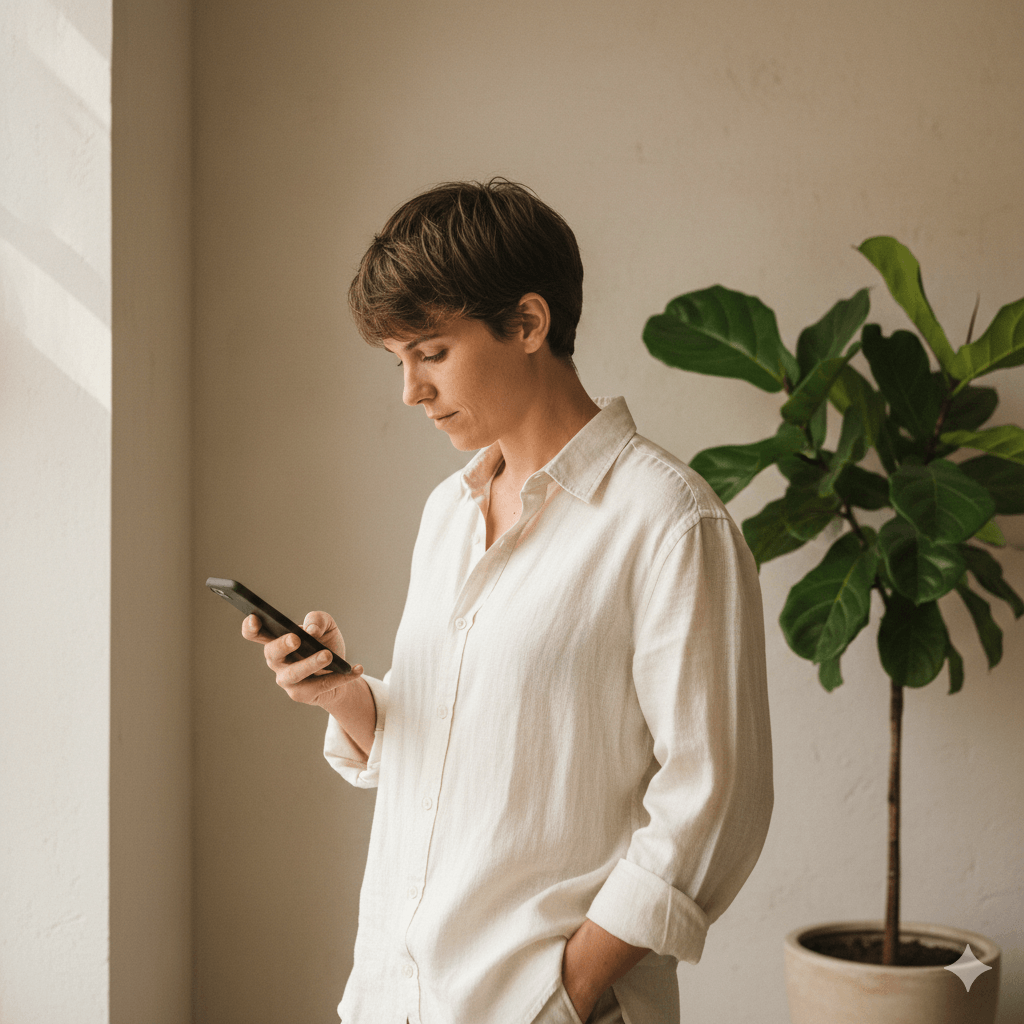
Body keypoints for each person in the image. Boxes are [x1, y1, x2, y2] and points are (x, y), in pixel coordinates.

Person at [242, 179, 773, 1024]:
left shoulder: (669, 521)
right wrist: (346, 697)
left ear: (529, 324)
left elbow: (716, 798)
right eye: (397, 361)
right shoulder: (447, 513)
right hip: (394, 996)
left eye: (430, 352)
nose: (409, 391)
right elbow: (461, 745)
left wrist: (566, 993)